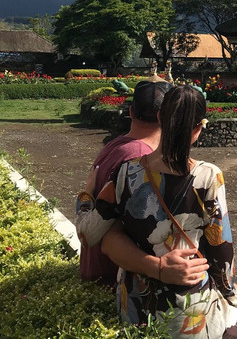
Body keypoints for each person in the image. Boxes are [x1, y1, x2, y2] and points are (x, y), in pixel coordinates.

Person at [77, 85, 237, 339]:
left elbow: (89, 232)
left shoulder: (126, 173)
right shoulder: (208, 177)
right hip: (182, 318)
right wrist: (231, 296)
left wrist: (85, 195)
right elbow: (222, 253)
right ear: (197, 130)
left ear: (160, 118)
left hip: (133, 306)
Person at [77, 80, 205, 288]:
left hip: (94, 270)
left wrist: (86, 195)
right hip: (116, 278)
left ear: (130, 111)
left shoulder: (115, 146)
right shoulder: (142, 162)